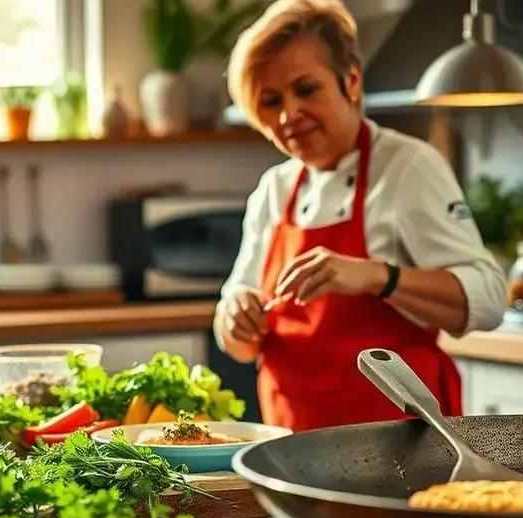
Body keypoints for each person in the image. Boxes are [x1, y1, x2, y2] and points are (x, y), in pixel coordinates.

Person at [215, 0, 505, 431]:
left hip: (397, 442)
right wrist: (235, 316)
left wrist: (377, 276)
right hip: (290, 443)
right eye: (270, 101)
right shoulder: (273, 190)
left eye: (306, 89)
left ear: (350, 82)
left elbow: (489, 297)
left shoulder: (408, 167)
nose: (288, 114)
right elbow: (238, 340)